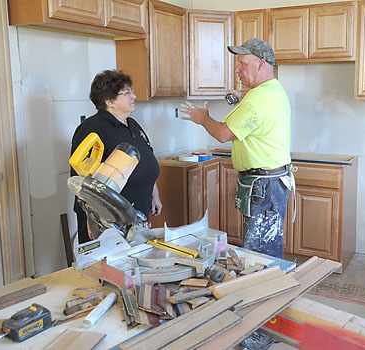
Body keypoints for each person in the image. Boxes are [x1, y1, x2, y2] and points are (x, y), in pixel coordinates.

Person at [180, 37, 292, 350]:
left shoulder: (258, 100)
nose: (237, 69)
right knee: (267, 254)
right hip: (270, 183)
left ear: (262, 64)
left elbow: (223, 132)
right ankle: (270, 322)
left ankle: (259, 335)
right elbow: (248, 101)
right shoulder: (270, 91)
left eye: (243, 64)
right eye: (237, 63)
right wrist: (237, 98)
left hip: (264, 187)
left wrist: (204, 118)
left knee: (259, 259)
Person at [71, 70, 162, 244]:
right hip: (106, 221)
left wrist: (154, 193)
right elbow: (81, 179)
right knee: (108, 269)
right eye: (127, 93)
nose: (133, 96)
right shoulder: (92, 128)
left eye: (131, 91)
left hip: (137, 214)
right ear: (109, 101)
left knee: (133, 265)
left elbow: (145, 160)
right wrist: (92, 218)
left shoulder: (132, 124)